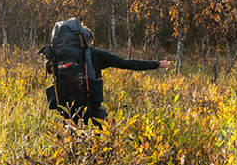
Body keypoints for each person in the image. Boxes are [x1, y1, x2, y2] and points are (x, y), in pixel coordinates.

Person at [41, 20, 169, 125]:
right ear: (88, 40)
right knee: (107, 134)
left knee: (71, 141)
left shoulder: (59, 58)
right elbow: (126, 63)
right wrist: (157, 64)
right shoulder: (97, 56)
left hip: (67, 107)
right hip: (91, 106)